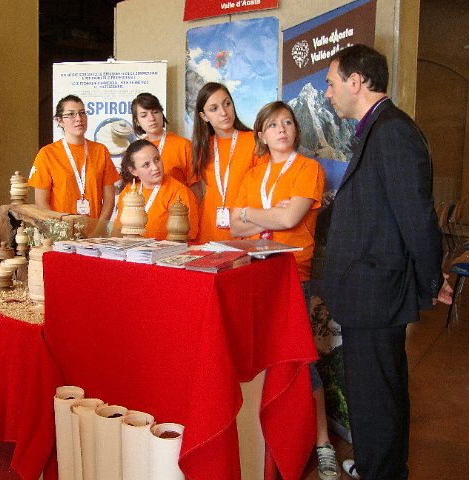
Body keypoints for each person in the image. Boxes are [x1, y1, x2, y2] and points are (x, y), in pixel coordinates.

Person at [322, 44, 452, 480]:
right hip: (368, 290)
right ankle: (377, 464)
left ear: (356, 81)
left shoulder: (392, 131)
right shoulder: (377, 128)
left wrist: (431, 279)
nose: (328, 93)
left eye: (331, 83)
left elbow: (416, 217)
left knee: (378, 393)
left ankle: (383, 471)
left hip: (376, 292)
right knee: (372, 390)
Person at [230, 101, 339, 480]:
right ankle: (268, 443)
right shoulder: (253, 173)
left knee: (301, 360)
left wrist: (253, 214)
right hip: (253, 274)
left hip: (293, 275)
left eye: (288, 122)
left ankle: (322, 443)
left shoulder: (308, 169)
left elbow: (291, 218)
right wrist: (267, 215)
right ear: (261, 134)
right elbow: (234, 226)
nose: (282, 129)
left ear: (296, 130)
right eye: (273, 124)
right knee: (260, 360)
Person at [28, 95, 119, 236]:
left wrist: (97, 232)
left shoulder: (100, 151)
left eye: (82, 113)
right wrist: (60, 232)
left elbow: (109, 200)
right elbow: (41, 202)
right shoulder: (47, 154)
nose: (78, 119)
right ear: (59, 121)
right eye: (71, 114)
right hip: (60, 235)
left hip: (95, 235)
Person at [191, 82, 257, 244]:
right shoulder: (202, 146)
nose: (223, 112)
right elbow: (199, 191)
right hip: (208, 230)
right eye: (214, 108)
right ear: (203, 116)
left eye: (227, 104)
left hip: (244, 229)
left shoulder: (254, 141)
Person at [114, 139, 198, 241]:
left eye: (157, 159)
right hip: (132, 249)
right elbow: (118, 230)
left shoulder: (179, 192)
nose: (155, 167)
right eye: (146, 165)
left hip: (168, 250)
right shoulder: (129, 191)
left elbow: (187, 238)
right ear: (133, 171)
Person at [131, 93, 193, 186]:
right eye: (144, 115)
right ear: (137, 121)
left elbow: (195, 185)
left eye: (155, 112)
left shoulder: (183, 145)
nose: (152, 118)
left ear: (162, 114)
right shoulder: (136, 150)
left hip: (178, 195)